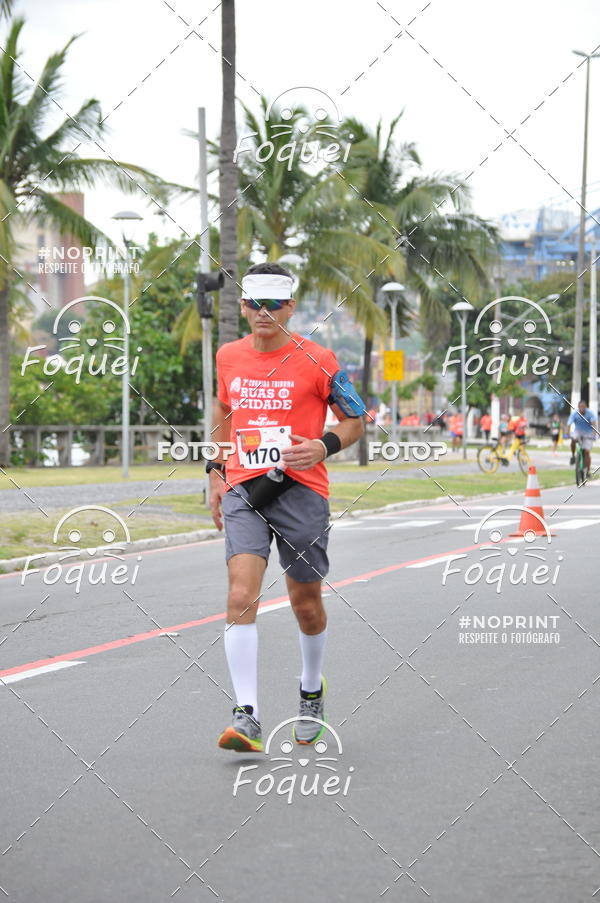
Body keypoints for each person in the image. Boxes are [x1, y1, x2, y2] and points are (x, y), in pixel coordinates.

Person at [209, 263, 364, 753]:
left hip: (302, 492)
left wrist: (323, 446)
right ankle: (247, 716)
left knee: (306, 605)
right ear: (243, 306)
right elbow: (223, 411)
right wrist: (215, 471)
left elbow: (356, 419)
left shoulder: (319, 359)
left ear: (290, 307)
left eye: (274, 304)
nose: (263, 313)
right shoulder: (228, 356)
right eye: (254, 303)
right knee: (240, 595)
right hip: (244, 489)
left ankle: (311, 690)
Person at [568, 400, 597, 476]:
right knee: (573, 439)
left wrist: (594, 434)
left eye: (583, 407)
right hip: (578, 431)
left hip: (588, 433)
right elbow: (569, 424)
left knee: (587, 452)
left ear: (586, 407)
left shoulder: (590, 413)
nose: (582, 408)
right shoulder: (575, 414)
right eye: (580, 407)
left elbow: (594, 424)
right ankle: (573, 456)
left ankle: (588, 471)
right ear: (578, 407)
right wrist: (568, 434)